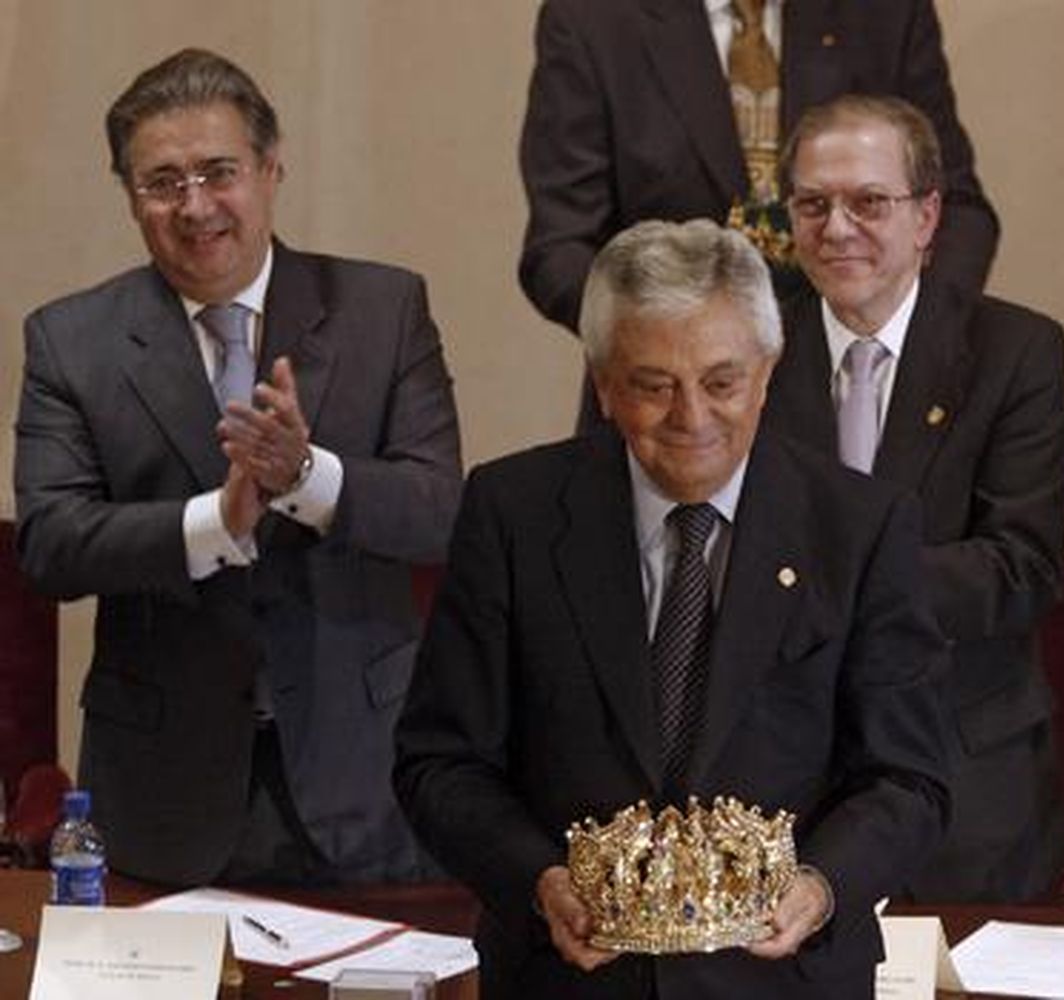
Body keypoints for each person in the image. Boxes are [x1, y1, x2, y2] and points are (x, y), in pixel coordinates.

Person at [394, 219, 949, 998]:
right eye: (654, 386)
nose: (691, 418)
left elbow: (908, 779)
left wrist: (821, 886)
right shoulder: (512, 511)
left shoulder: (859, 528)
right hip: (568, 977)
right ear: (603, 382)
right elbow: (439, 762)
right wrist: (538, 880)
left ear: (768, 370)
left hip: (785, 981)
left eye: (721, 381)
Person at [12, 49, 462, 887]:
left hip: (361, 775)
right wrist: (216, 523)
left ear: (270, 169)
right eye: (162, 183)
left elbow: (437, 509)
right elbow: (50, 543)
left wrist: (305, 477)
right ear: (130, 196)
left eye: (219, 173)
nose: (195, 207)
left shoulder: (382, 309)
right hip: (162, 783)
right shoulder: (72, 341)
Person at [763, 95, 1064, 903]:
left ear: (927, 215)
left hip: (965, 775)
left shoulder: (1014, 352)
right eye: (813, 204)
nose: (837, 228)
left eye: (869, 202)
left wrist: (834, 584)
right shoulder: (751, 351)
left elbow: (1020, 568)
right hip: (782, 782)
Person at [518, 0, 999, 426]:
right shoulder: (592, 18)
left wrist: (908, 333)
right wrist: (670, 338)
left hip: (854, 394)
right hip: (671, 411)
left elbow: (958, 210)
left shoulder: (884, 11)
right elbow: (559, 249)